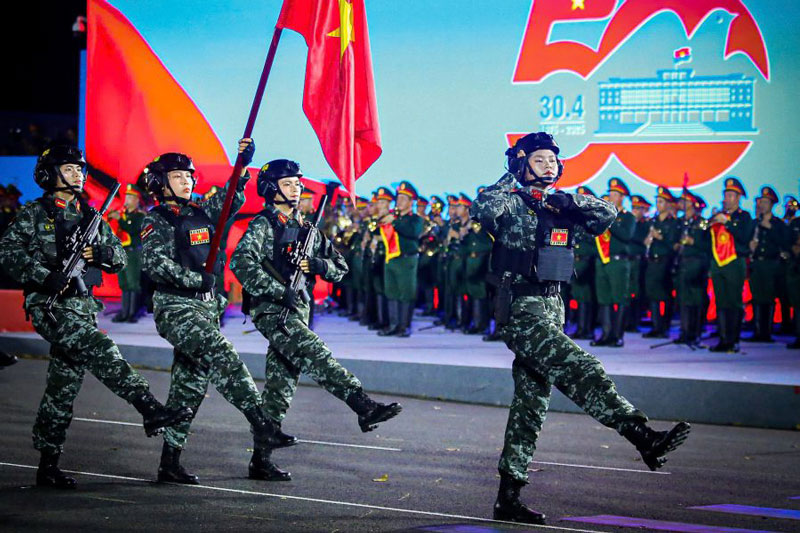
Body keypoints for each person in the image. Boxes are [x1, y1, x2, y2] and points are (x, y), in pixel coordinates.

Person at [471, 132, 690, 524]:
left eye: (553, 160)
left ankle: (508, 497)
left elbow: (607, 215)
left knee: (530, 408)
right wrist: (512, 174)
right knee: (582, 366)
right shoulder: (508, 200)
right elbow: (482, 208)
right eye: (539, 159)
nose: (549, 165)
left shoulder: (565, 205)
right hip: (520, 308)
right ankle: (642, 437)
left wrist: (569, 200)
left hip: (552, 306)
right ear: (521, 164)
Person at [0, 145, 193, 489]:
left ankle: (48, 464)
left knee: (63, 387)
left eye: (79, 169)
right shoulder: (33, 214)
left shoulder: (91, 217)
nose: (77, 174)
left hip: (82, 308)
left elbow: (118, 257)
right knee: (102, 349)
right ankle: (148, 407)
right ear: (49, 175)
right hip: (51, 307)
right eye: (69, 169)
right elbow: (8, 254)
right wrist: (44, 275)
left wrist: (99, 252)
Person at [230, 159, 402, 481]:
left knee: (280, 388)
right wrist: (279, 290)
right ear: (271, 188)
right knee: (315, 353)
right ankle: (362, 405)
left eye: (298, 183)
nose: (296, 188)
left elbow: (341, 268)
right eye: (288, 183)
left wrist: (317, 265)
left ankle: (261, 459)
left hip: (299, 312)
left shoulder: (309, 231)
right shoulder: (264, 224)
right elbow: (241, 262)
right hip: (274, 311)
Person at [139, 141, 293, 485]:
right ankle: (262, 423)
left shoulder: (200, 211)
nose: (186, 182)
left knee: (188, 388)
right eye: (177, 177)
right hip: (176, 306)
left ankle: (169, 463)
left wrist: (241, 166)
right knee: (221, 352)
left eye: (188, 176)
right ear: (160, 183)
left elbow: (229, 200)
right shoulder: (157, 220)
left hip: (206, 308)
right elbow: (154, 263)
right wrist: (196, 278)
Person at [708, 177, 754, 353]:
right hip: (718, 264)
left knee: (734, 302)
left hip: (735, 263)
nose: (726, 198)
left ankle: (733, 340)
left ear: (738, 197)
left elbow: (744, 237)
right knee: (721, 302)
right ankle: (723, 338)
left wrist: (727, 222)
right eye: (725, 194)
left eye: (730, 195)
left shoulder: (744, 217)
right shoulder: (719, 215)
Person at [591, 178, 635, 347]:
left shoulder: (627, 217)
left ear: (622, 197)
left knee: (620, 298)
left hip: (618, 262)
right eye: (610, 193)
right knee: (604, 300)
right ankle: (606, 334)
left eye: (615, 194)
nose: (610, 197)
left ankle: (618, 335)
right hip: (602, 261)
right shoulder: (603, 215)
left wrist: (609, 220)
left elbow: (626, 236)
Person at [378, 181, 424, 337]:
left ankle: (404, 327)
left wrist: (395, 221)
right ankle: (393, 325)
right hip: (391, 259)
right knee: (391, 292)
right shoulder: (392, 217)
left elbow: (412, 232)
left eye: (404, 199)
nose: (399, 201)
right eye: (399, 198)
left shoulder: (415, 219)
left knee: (406, 293)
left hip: (407, 260)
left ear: (411, 202)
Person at [745, 186, 790, 342]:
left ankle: (767, 332)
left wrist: (769, 228)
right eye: (761, 201)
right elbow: (745, 237)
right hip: (757, 263)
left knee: (769, 297)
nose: (762, 205)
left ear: (772, 204)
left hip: (771, 264)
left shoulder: (777, 224)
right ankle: (758, 331)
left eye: (765, 202)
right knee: (757, 297)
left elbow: (785, 242)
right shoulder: (754, 222)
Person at [643, 187, 680, 338]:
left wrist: (661, 237)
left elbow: (674, 245)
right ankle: (655, 326)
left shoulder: (673, 223)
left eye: (661, 202)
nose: (658, 204)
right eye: (657, 201)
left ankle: (664, 326)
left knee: (664, 295)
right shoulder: (653, 221)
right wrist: (648, 240)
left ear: (668, 204)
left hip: (665, 262)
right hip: (652, 261)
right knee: (652, 295)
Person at [674, 191, 710, 347]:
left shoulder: (701, 222)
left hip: (697, 262)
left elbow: (707, 245)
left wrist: (693, 241)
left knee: (696, 299)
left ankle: (695, 332)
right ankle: (685, 331)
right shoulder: (681, 222)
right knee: (683, 299)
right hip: (683, 262)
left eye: (685, 202)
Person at [109, 183, 146, 322]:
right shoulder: (123, 214)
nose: (127, 199)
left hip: (133, 252)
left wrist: (120, 220)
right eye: (127, 196)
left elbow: (133, 230)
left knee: (133, 283)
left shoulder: (140, 216)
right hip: (122, 251)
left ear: (136, 200)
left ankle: (133, 313)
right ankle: (124, 312)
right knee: (123, 283)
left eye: (130, 197)